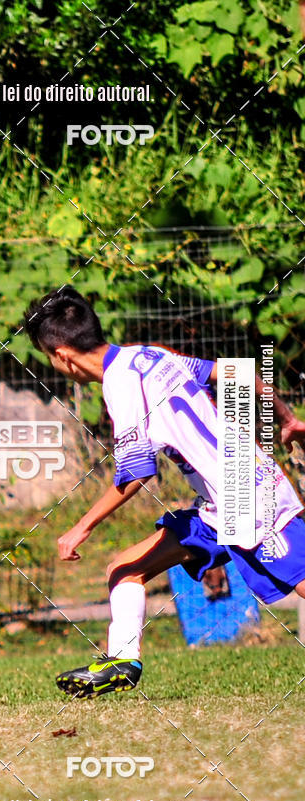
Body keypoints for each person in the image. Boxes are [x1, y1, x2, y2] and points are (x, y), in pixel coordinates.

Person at [24, 285, 305, 698]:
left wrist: (80, 527)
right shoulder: (150, 354)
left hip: (249, 495)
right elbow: (242, 374)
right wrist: (287, 419)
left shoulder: (121, 387)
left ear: (62, 355)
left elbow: (135, 473)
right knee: (125, 569)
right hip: (216, 504)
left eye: (50, 359)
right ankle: (122, 661)